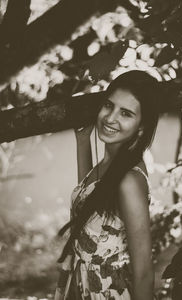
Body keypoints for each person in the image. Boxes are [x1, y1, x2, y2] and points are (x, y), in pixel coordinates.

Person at [55, 70, 159, 300]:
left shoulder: (129, 181)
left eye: (126, 113)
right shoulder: (110, 164)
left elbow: (143, 273)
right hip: (81, 286)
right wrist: (83, 142)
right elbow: (91, 203)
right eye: (108, 105)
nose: (110, 118)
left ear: (141, 126)